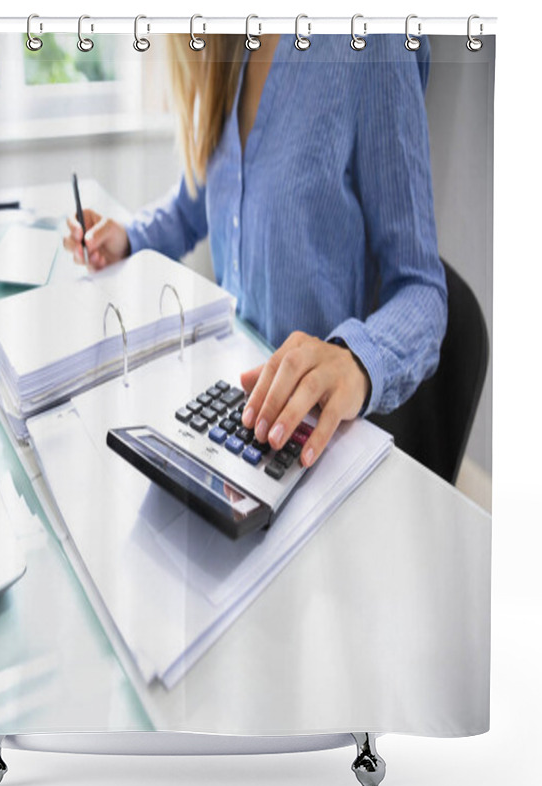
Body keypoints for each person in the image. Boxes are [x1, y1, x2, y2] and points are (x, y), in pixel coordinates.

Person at [63, 34, 447, 469]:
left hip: (313, 438)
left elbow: (421, 288)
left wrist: (356, 359)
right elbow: (198, 202)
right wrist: (129, 237)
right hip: (229, 401)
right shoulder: (229, 44)